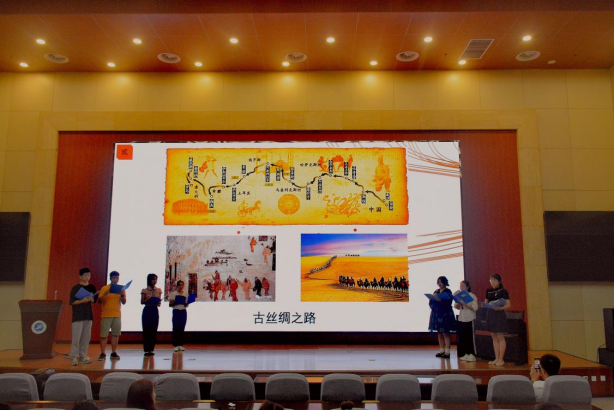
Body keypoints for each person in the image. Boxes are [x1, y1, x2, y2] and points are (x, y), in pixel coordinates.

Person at [69, 267, 97, 366]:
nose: (87, 277)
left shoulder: (91, 287)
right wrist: (82, 301)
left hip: (88, 315)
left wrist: (92, 300)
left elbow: (95, 300)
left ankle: (83, 355)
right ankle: (74, 356)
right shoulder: (76, 288)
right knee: (76, 337)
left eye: (89, 275)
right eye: (85, 275)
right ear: (80, 276)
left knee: (86, 337)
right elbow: (72, 302)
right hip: (78, 315)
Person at [98, 271, 126, 361]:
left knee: (116, 334)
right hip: (106, 314)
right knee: (104, 335)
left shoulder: (121, 289)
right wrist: (106, 293)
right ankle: (102, 353)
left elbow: (124, 302)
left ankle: (114, 352)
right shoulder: (105, 288)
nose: (115, 280)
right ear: (110, 278)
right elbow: (99, 301)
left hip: (117, 314)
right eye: (114, 278)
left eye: (117, 278)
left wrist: (122, 294)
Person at [484, 273, 511, 366]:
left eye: (494, 280)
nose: (492, 282)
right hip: (491, 314)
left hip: (499, 314)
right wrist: (487, 305)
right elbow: (486, 303)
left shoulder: (503, 291)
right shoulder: (488, 291)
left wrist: (499, 308)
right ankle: (496, 358)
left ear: (499, 281)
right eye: (491, 280)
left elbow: (508, 304)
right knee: (494, 337)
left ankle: (501, 359)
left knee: (500, 337)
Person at [428, 276, 456, 359]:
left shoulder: (448, 291)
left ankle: (447, 352)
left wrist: (440, 300)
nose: (439, 284)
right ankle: (441, 350)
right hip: (437, 314)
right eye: (438, 282)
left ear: (444, 282)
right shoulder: (436, 291)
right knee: (439, 333)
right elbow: (431, 302)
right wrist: (433, 299)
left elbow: (449, 302)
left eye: (441, 282)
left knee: (446, 333)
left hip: (445, 314)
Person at [454, 280, 478, 362]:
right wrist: (458, 301)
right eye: (460, 286)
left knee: (469, 337)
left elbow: (475, 308)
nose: (461, 288)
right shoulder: (460, 295)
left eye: (463, 286)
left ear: (467, 287)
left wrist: (465, 303)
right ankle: (466, 353)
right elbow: (456, 307)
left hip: (469, 319)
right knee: (463, 337)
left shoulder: (472, 296)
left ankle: (472, 354)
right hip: (461, 318)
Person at [141, 273, 162, 356]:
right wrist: (148, 299)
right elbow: (142, 302)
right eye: (153, 279)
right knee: (146, 329)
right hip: (147, 310)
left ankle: (151, 349)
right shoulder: (145, 290)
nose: (154, 281)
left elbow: (159, 304)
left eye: (155, 279)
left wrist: (157, 302)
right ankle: (146, 349)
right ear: (149, 280)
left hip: (154, 310)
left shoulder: (158, 290)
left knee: (154, 329)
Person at [168, 280, 188, 352]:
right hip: (176, 311)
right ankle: (175, 345)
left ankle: (180, 344)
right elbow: (170, 304)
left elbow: (186, 304)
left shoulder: (185, 294)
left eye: (182, 285)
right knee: (176, 327)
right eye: (179, 285)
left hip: (183, 311)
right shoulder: (173, 294)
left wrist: (186, 303)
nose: (181, 286)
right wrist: (175, 301)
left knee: (182, 327)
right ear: (177, 286)